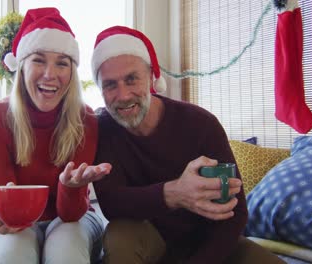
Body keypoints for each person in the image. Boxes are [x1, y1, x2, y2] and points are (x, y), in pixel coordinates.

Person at [90, 26, 285, 264]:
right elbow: (112, 203)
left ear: (151, 76)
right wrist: (175, 193)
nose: (123, 95)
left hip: (208, 244)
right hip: (150, 241)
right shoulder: (103, 130)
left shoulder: (200, 124)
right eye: (110, 85)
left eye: (132, 79)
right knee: (120, 234)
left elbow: (235, 213)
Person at [0, 8, 111, 264]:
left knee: (66, 252)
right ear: (22, 67)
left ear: (71, 73)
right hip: (18, 223)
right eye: (39, 60)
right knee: (13, 254)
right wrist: (3, 215)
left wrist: (71, 188)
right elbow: (4, 207)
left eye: (62, 63)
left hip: (75, 218)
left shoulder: (85, 120)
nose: (50, 74)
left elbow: (71, 213)